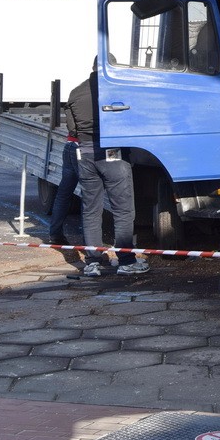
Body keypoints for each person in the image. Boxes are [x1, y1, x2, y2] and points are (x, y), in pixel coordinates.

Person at [65, 57, 149, 277]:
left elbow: (72, 129)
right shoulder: (117, 91)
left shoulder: (75, 93)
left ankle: (92, 262)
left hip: (85, 155)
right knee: (123, 210)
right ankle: (126, 262)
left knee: (91, 210)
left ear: (91, 67)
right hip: (113, 156)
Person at [47, 134, 79, 246]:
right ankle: (90, 243)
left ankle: (55, 234)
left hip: (70, 144)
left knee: (63, 194)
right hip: (83, 145)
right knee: (91, 197)